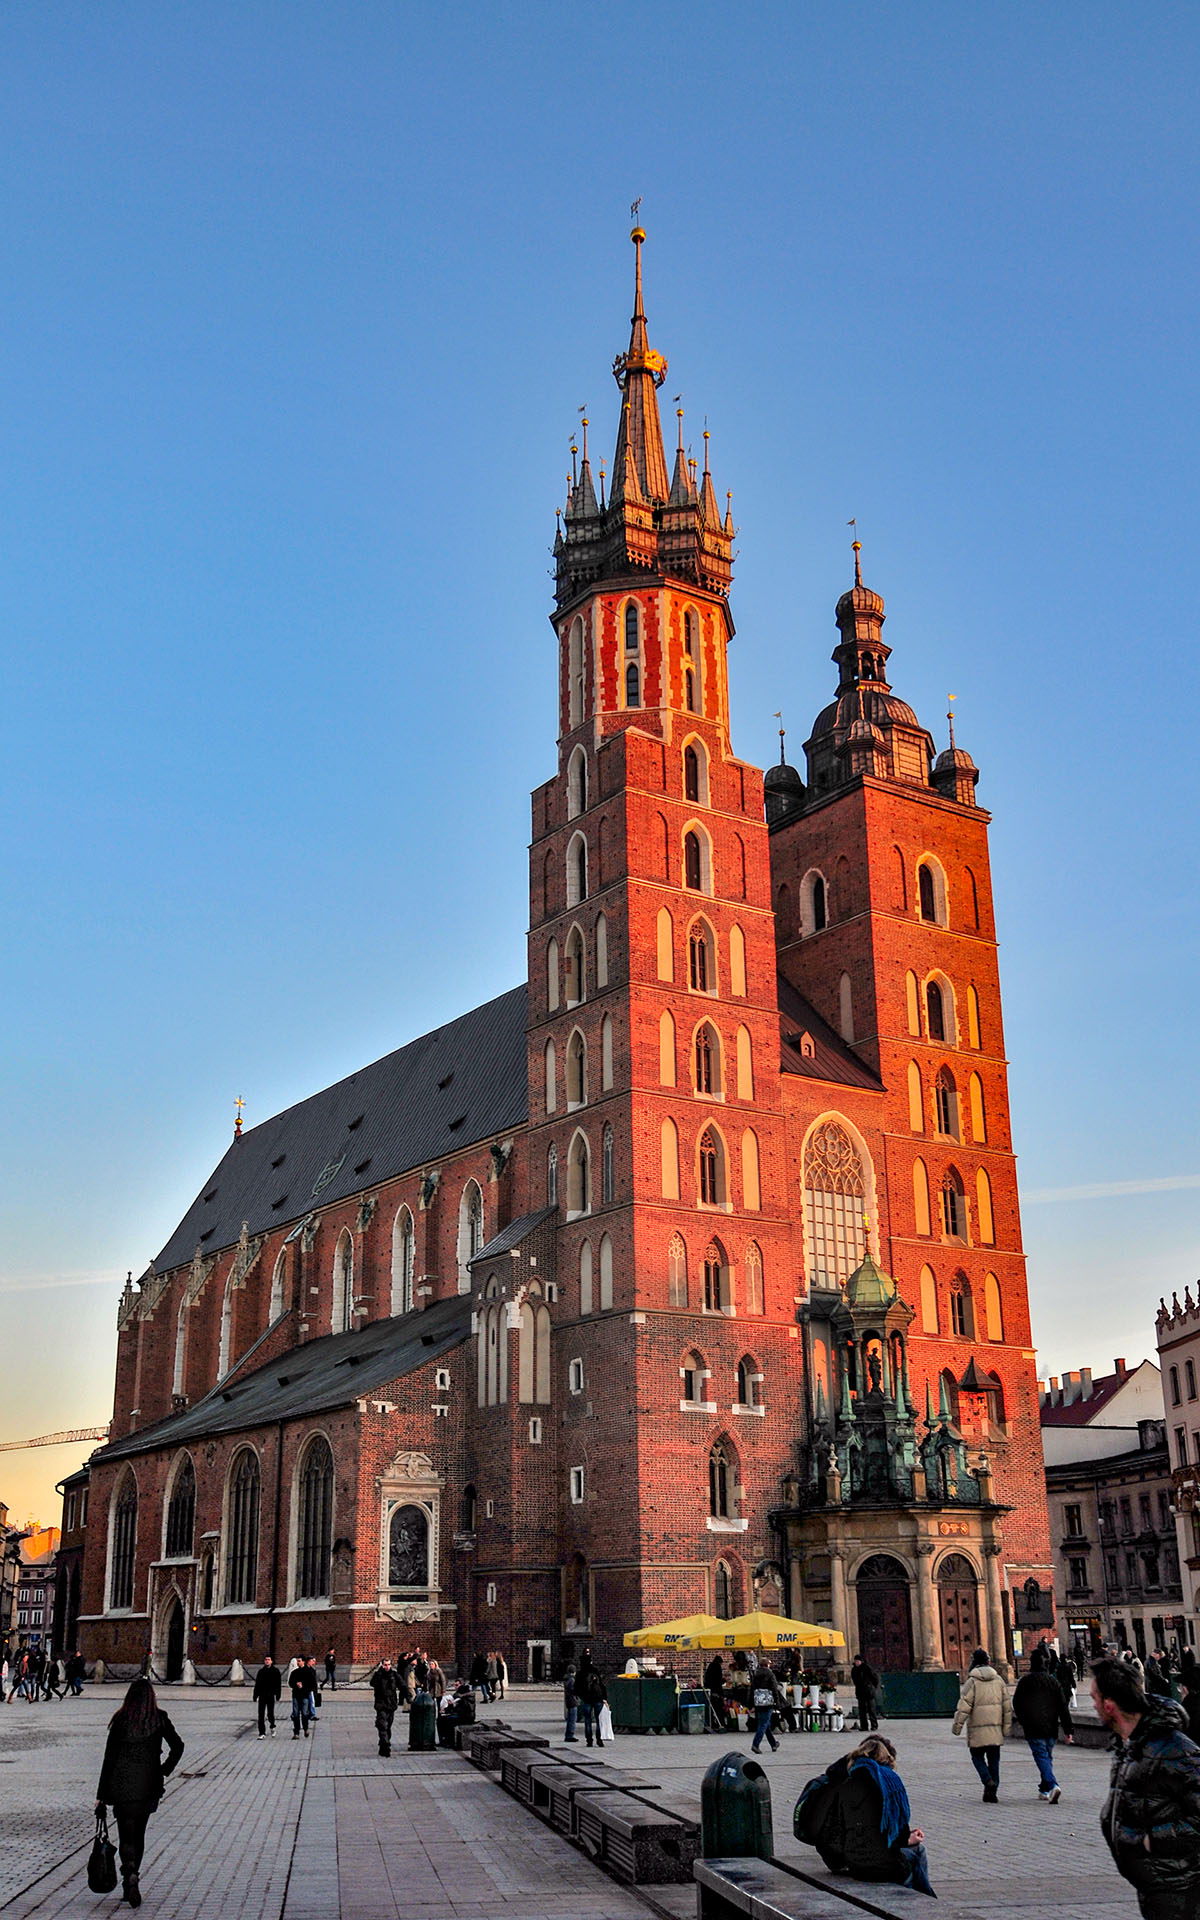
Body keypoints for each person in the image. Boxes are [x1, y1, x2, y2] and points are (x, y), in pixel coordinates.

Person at [1094, 1656, 1200, 1920]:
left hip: (1179, 1885)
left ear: (1109, 1705)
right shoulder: (1129, 1744)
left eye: (1094, 1698)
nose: (1093, 1705)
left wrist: (1153, 1840)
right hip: (1154, 1883)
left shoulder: (1174, 1748)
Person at [794, 1734, 934, 1897]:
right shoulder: (889, 1784)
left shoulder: (843, 1783)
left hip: (849, 1861)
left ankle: (918, 1897)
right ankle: (925, 1898)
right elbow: (895, 1836)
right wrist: (909, 1838)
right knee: (918, 1852)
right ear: (886, 1759)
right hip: (873, 1864)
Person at [95, 1677, 184, 1909]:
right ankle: (133, 1877)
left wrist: (101, 1795)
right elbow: (178, 1746)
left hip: (121, 1786)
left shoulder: (120, 1720)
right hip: (148, 1786)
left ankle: (129, 1876)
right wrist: (164, 1770)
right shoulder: (159, 1718)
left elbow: (109, 1759)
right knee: (139, 1834)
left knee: (126, 1835)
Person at [952, 1647, 1012, 1802]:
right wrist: (1006, 1728)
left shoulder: (972, 1681)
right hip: (994, 1728)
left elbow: (964, 1706)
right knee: (994, 1760)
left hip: (977, 1730)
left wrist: (957, 1727)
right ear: (988, 1661)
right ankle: (993, 1790)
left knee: (977, 1757)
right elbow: (1007, 1707)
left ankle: (987, 1780)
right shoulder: (999, 1680)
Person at [1013, 1658, 1073, 1802]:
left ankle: (1053, 1785)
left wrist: (1023, 1721)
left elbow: (1017, 1704)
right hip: (1051, 1726)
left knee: (1041, 1757)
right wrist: (1068, 1729)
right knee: (1047, 1757)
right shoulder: (1053, 1682)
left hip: (1033, 1727)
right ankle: (1044, 1789)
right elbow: (1063, 1707)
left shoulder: (1025, 1682)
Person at [750, 1665, 784, 1755]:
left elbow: (751, 1688)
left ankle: (773, 1744)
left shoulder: (755, 1674)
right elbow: (774, 1688)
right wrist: (777, 1701)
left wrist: (750, 1702)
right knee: (763, 1724)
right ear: (767, 1665)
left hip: (758, 1701)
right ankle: (755, 1744)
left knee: (766, 1724)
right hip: (768, 1702)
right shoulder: (770, 1674)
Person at [371, 1658, 400, 1756]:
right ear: (382, 1665)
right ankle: (386, 1745)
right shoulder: (378, 1674)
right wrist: (379, 1673)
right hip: (381, 1704)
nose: (387, 1667)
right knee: (382, 1725)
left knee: (388, 1726)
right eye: (385, 1665)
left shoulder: (394, 1675)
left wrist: (408, 1697)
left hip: (391, 1704)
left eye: (388, 1665)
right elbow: (372, 1683)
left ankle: (383, 1744)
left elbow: (402, 1685)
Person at [578, 1662, 607, 1747]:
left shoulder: (584, 1679)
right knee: (599, 1721)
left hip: (587, 1701)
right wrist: (604, 1699)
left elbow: (579, 1690)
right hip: (598, 1701)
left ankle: (589, 1741)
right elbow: (603, 1688)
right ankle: (599, 1740)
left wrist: (583, 1698)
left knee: (587, 1721)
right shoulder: (598, 1679)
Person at [254, 1656, 281, 1738]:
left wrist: (278, 1695)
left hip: (270, 1695)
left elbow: (278, 1684)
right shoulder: (261, 1671)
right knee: (261, 1715)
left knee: (270, 1714)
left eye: (269, 1660)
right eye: (266, 1660)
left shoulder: (275, 1671)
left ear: (272, 1661)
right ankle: (262, 1732)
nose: (267, 1661)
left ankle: (272, 1725)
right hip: (262, 1695)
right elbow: (257, 1684)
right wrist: (255, 1695)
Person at [850, 1655, 880, 1733]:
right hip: (860, 1691)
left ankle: (874, 1725)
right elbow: (854, 1680)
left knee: (871, 1709)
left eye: (858, 1661)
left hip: (868, 1691)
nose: (856, 1662)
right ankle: (864, 1726)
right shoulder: (854, 1669)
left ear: (861, 1661)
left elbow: (875, 1678)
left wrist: (873, 1687)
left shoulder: (867, 1668)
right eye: (855, 1661)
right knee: (862, 1710)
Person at [289, 1658, 316, 1738]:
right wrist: (296, 1684)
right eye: (297, 1661)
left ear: (303, 1661)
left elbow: (312, 1684)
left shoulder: (308, 1672)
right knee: (295, 1714)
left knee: (304, 1713)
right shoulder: (294, 1672)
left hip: (305, 1695)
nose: (298, 1662)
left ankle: (305, 1728)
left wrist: (303, 1686)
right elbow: (290, 1683)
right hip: (296, 1695)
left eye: (299, 1661)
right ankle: (296, 1732)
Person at [703, 1654, 727, 1729]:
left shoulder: (710, 1667)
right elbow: (718, 1680)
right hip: (716, 1690)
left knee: (713, 1709)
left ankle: (713, 1723)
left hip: (710, 1690)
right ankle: (721, 1723)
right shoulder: (717, 1667)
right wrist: (724, 1680)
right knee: (719, 1709)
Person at [563, 1664, 579, 1742]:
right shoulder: (572, 1680)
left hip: (568, 1701)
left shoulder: (566, 1679)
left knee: (570, 1719)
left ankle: (568, 1734)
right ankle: (570, 1735)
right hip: (573, 1701)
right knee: (572, 1719)